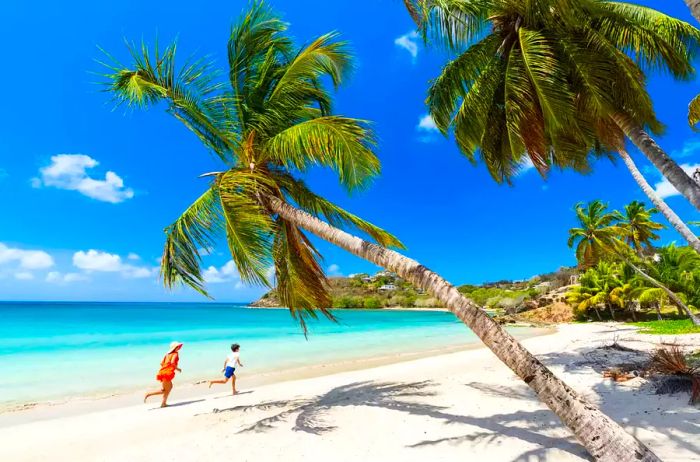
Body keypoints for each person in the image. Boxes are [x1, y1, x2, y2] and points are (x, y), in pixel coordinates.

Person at [144, 341, 182, 407]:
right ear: (175, 348)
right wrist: (178, 369)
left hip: (163, 372)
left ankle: (163, 403)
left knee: (169, 388)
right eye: (178, 347)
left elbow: (162, 363)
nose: (179, 348)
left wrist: (166, 368)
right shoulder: (175, 354)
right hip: (167, 373)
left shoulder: (167, 355)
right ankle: (148, 394)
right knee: (165, 390)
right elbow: (172, 363)